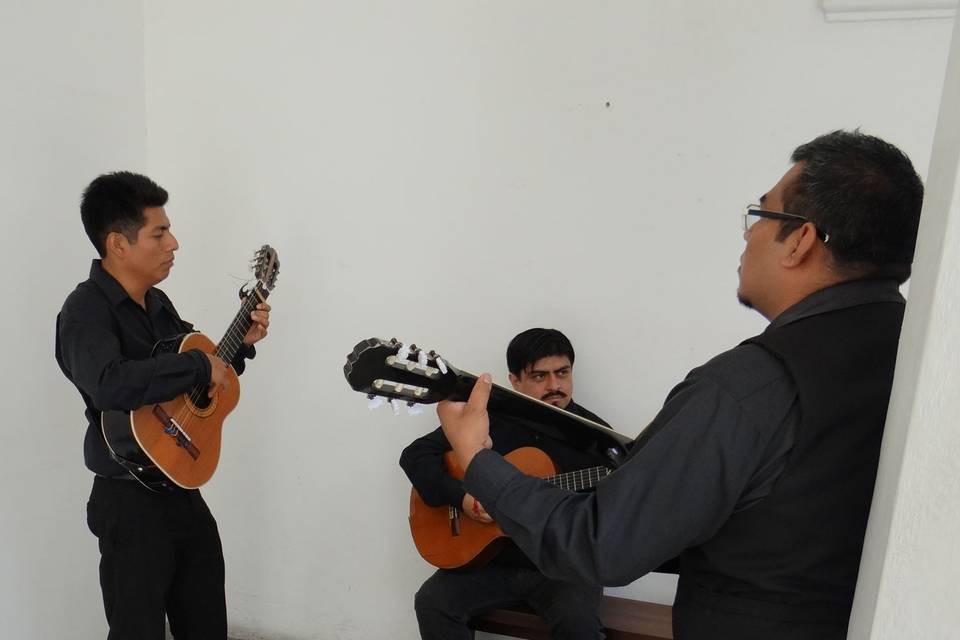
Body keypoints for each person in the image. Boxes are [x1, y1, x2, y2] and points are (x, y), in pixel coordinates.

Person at [436, 130, 924, 640]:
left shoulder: (747, 388)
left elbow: (598, 545)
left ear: (799, 240)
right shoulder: (909, 357)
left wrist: (477, 458)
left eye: (761, 216)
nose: (747, 236)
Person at [55, 171, 271, 639]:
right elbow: (109, 385)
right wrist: (198, 366)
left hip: (181, 487)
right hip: (128, 501)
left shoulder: (159, 304)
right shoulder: (85, 311)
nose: (174, 242)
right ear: (118, 244)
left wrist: (240, 346)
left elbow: (196, 386)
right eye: (160, 232)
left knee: (207, 624)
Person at [400, 328, 614, 639]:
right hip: (492, 563)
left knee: (579, 624)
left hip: (560, 568)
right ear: (514, 381)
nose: (555, 386)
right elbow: (416, 455)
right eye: (540, 376)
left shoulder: (597, 438)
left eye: (562, 373)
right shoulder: (490, 421)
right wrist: (463, 498)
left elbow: (611, 513)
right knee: (432, 602)